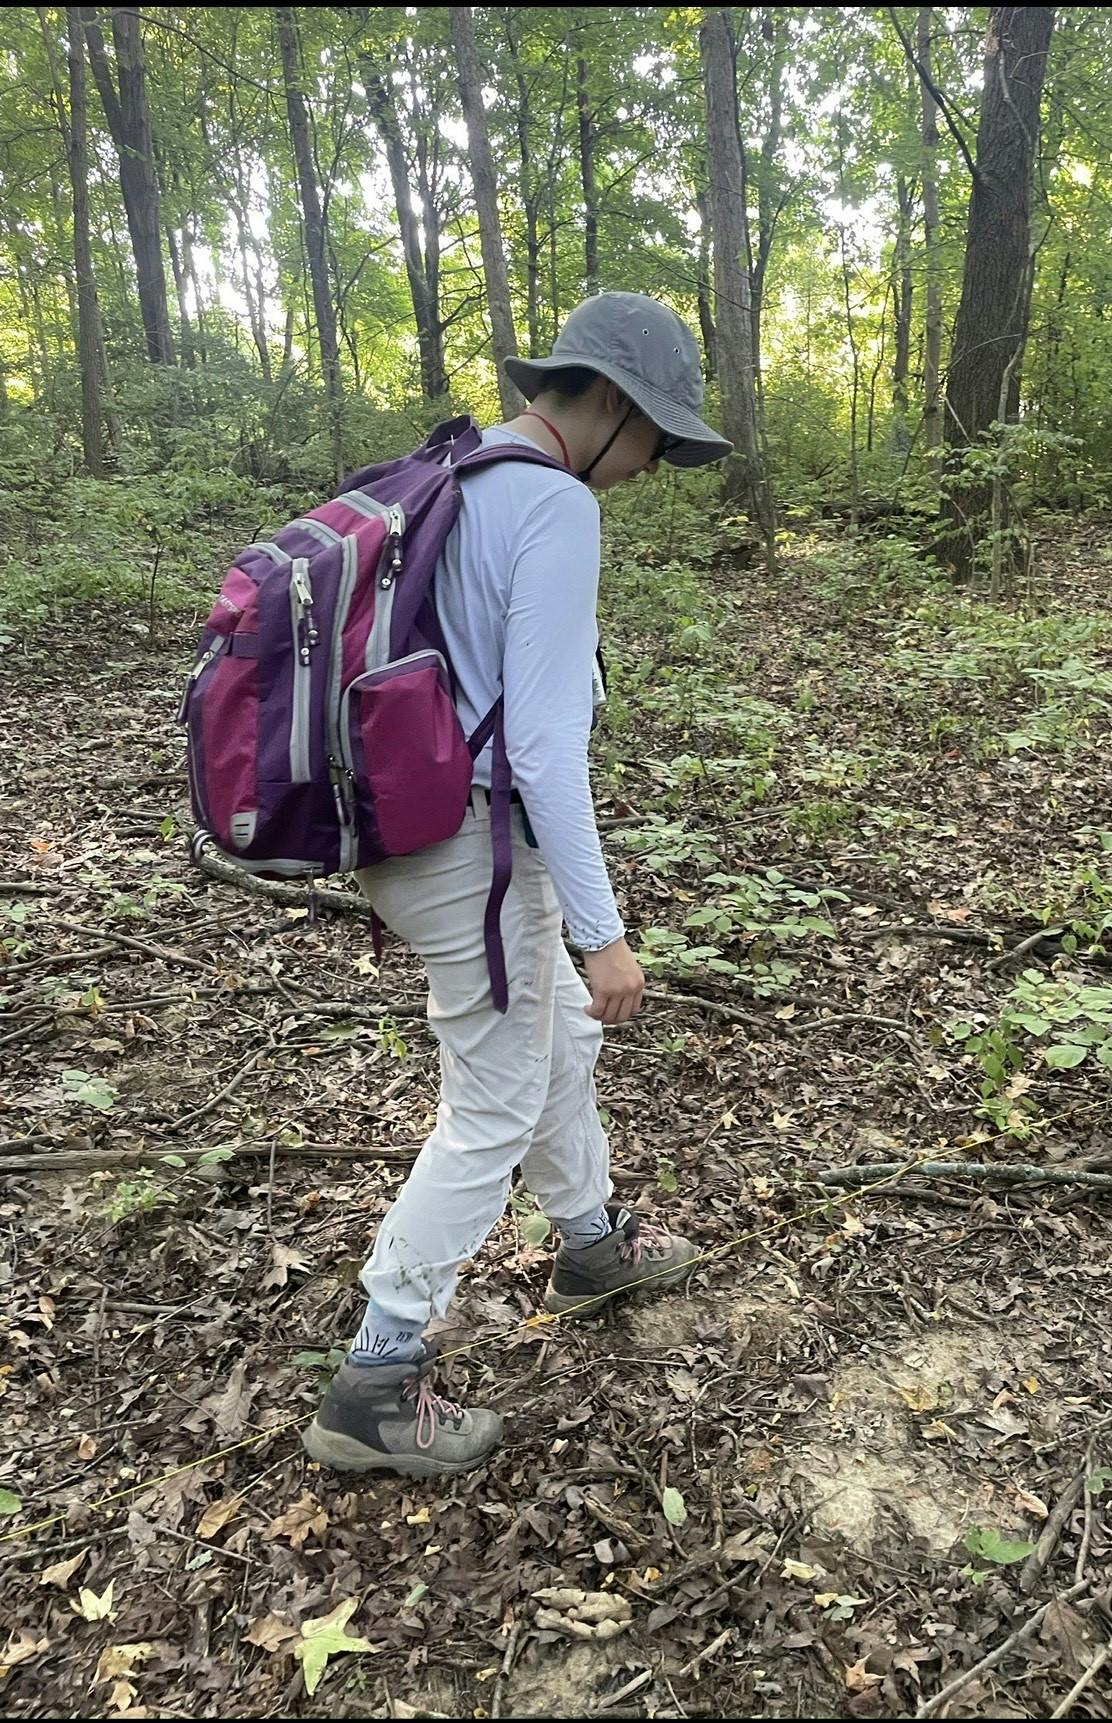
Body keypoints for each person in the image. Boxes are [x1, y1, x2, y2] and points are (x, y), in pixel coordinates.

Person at [303, 293, 732, 1478]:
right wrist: (604, 933)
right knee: (491, 1105)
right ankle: (377, 1374)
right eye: (656, 439)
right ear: (610, 405)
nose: (650, 467)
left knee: (556, 1044)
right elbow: (543, 746)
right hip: (476, 849)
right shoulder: (552, 502)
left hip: (417, 831)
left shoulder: (460, 474)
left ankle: (589, 1240)